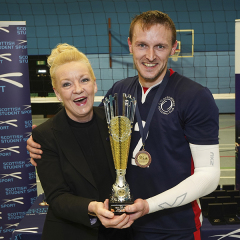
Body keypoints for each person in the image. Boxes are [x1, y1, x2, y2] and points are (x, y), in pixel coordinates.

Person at [27, 11, 220, 240]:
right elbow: (85, 126)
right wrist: (43, 141)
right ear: (130, 45)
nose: (150, 56)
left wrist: (149, 205)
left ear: (174, 48)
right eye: (142, 45)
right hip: (123, 227)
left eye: (160, 46)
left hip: (175, 228)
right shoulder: (118, 92)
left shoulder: (195, 96)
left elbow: (209, 175)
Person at [30, 43, 133, 240]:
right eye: (67, 84)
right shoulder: (45, 136)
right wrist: (93, 208)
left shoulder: (116, 122)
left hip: (119, 230)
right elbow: (57, 197)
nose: (78, 89)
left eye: (84, 80)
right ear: (58, 93)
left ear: (94, 84)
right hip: (70, 232)